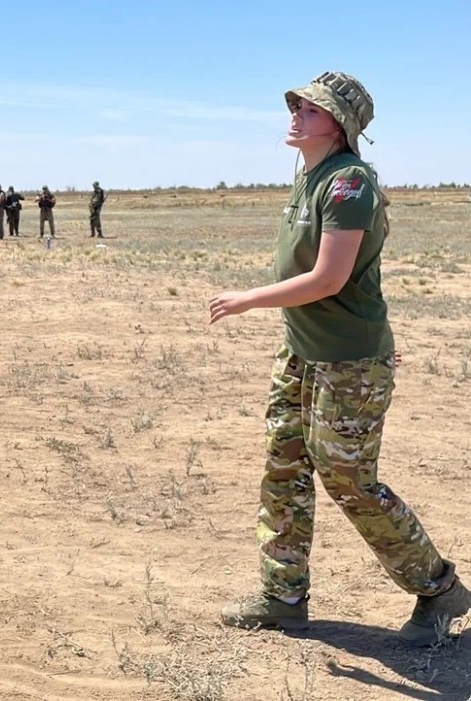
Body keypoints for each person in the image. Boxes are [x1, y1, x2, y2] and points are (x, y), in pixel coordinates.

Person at [210, 72, 470, 646]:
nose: (297, 113)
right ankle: (283, 597)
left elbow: (327, 279)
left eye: (312, 108)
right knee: (284, 471)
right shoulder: (308, 178)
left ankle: (439, 589)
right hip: (301, 352)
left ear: (341, 124)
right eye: (297, 104)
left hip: (349, 361)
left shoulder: (349, 181)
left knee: (349, 478)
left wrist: (248, 299)